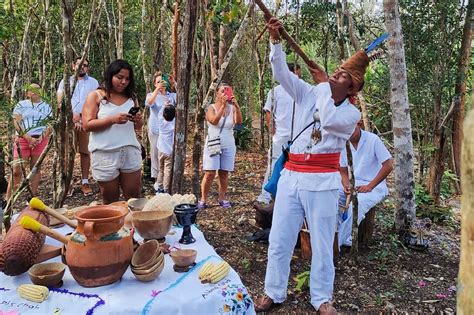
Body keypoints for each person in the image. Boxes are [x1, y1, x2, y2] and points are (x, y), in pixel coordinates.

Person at [254, 18, 366, 314]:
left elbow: (328, 121)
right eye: (337, 71)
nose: (336, 74)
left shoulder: (351, 114)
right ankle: (273, 292)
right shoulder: (313, 92)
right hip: (292, 176)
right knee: (279, 238)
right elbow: (281, 74)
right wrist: (276, 42)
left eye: (342, 75)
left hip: (323, 182)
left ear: (351, 87)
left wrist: (323, 87)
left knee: (321, 243)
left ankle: (322, 298)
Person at [82, 59, 143, 205]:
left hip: (130, 150)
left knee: (135, 197)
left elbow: (138, 126)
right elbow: (86, 125)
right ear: (110, 76)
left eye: (127, 79)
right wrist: (112, 120)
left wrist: (137, 119)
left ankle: (135, 227)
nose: (123, 82)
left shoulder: (131, 97)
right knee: (110, 199)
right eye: (119, 77)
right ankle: (113, 227)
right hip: (105, 154)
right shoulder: (96, 96)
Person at [253, 63, 302, 232]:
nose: (298, 77)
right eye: (295, 74)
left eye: (299, 74)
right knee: (274, 164)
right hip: (280, 135)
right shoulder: (275, 91)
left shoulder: (300, 91)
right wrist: (271, 127)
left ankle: (292, 196)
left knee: (296, 167)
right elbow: (268, 111)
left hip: (298, 136)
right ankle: (266, 194)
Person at [338, 121, 393, 248]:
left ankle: (337, 244)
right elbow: (343, 170)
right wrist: (346, 185)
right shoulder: (343, 142)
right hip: (353, 182)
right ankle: (337, 236)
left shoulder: (373, 140)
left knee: (357, 204)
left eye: (352, 128)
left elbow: (388, 165)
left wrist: (370, 186)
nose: (349, 133)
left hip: (374, 184)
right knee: (332, 197)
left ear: (359, 124)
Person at [57, 57, 99, 196]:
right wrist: (72, 117)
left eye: (85, 65)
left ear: (88, 67)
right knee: (69, 153)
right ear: (73, 66)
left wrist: (83, 118)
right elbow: (60, 101)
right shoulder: (65, 81)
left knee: (85, 152)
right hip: (69, 121)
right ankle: (67, 183)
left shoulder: (93, 82)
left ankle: (85, 181)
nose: (82, 67)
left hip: (86, 120)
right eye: (80, 65)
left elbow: (97, 102)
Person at [198, 83, 243, 209]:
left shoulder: (232, 108)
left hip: (228, 142)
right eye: (222, 91)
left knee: (224, 173)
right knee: (210, 173)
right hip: (213, 142)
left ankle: (222, 198)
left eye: (228, 91)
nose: (225, 93)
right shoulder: (211, 108)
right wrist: (223, 106)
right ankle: (203, 199)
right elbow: (213, 121)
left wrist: (237, 106)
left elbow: (239, 123)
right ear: (217, 93)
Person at [7, 83, 52, 198]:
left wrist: (40, 138)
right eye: (31, 90)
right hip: (23, 139)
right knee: (17, 170)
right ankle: (9, 200)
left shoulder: (47, 106)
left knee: (35, 169)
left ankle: (32, 198)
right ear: (27, 93)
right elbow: (17, 123)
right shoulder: (21, 104)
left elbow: (50, 124)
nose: (34, 91)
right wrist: (28, 138)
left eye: (37, 89)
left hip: (40, 140)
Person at [145, 72, 176, 193]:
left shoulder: (171, 96)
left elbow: (182, 99)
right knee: (156, 154)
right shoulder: (151, 95)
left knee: (168, 155)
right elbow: (148, 103)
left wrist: (174, 82)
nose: (161, 84)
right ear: (154, 84)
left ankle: (167, 180)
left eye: (162, 82)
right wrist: (157, 90)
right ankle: (157, 180)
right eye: (158, 82)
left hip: (169, 132)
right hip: (155, 129)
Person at [156, 105, 176, 193]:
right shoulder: (174, 123)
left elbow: (160, 113)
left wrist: (164, 104)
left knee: (160, 169)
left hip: (160, 150)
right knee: (167, 171)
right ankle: (166, 189)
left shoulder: (161, 121)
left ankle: (159, 187)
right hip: (169, 151)